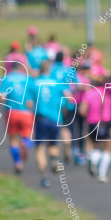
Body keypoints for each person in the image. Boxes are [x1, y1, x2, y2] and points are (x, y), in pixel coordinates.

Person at [29, 58, 72, 187]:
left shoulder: (34, 83)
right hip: (55, 118)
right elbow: (69, 97)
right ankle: (54, 159)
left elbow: (29, 102)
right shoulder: (57, 83)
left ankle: (44, 176)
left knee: (40, 147)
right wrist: (63, 107)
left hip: (41, 118)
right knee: (53, 145)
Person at [0, 60, 35, 174]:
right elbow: (33, 98)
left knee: (13, 139)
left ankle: (18, 163)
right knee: (28, 136)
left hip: (11, 112)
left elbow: (2, 97)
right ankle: (25, 143)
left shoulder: (5, 78)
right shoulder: (28, 79)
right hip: (26, 113)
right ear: (20, 68)